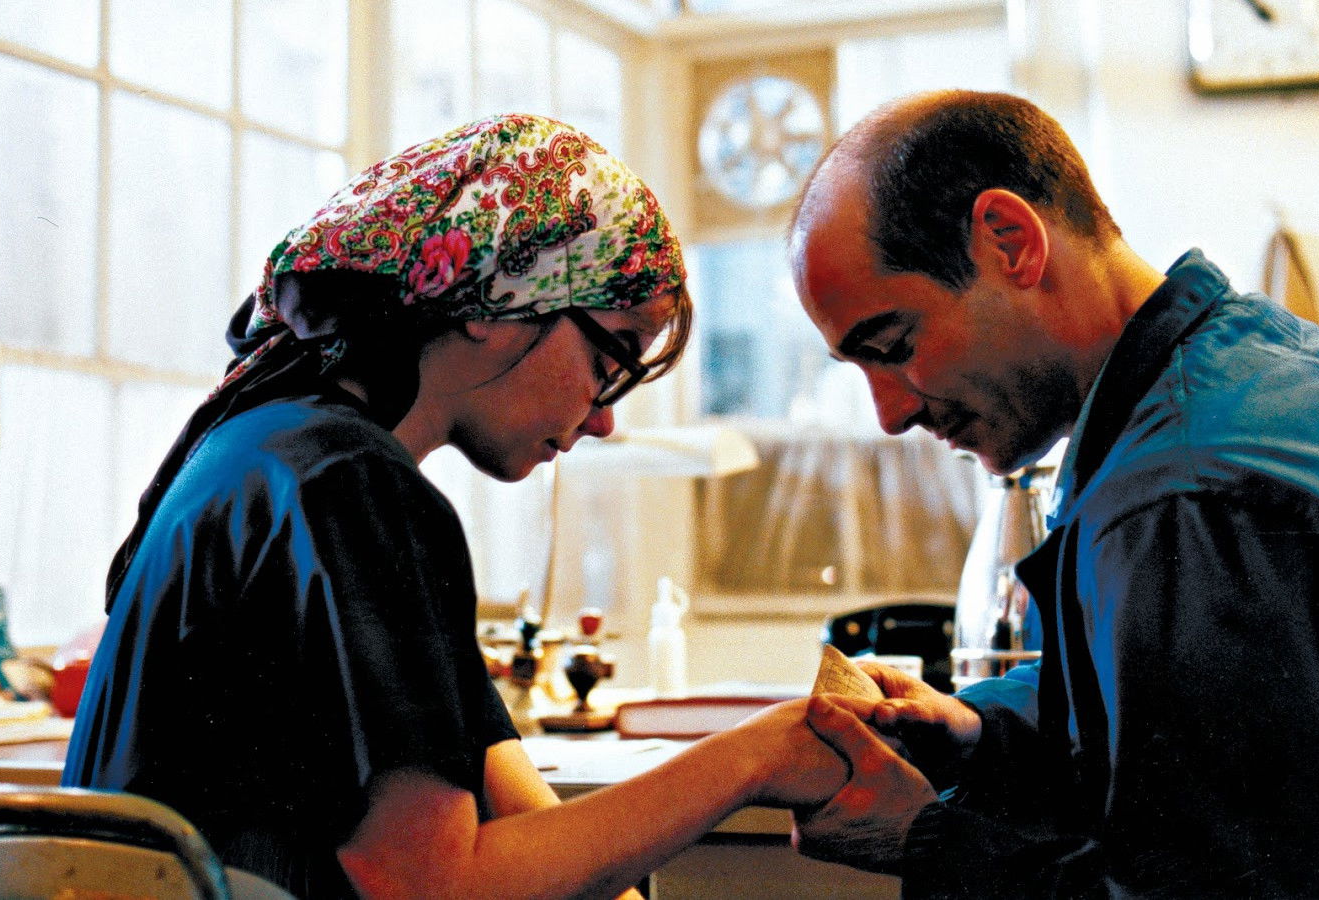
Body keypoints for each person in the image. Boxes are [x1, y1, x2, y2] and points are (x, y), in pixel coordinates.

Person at [63, 114, 847, 899]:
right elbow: (425, 884)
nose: (605, 419)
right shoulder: (349, 485)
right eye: (610, 355)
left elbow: (511, 794)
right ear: (493, 298)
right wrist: (757, 757)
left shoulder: (267, 450)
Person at [787, 89, 1319, 897]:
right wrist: (982, 730)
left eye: (893, 345)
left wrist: (931, 841)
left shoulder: (1184, 502)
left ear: (1010, 241)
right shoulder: (1267, 368)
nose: (890, 414)